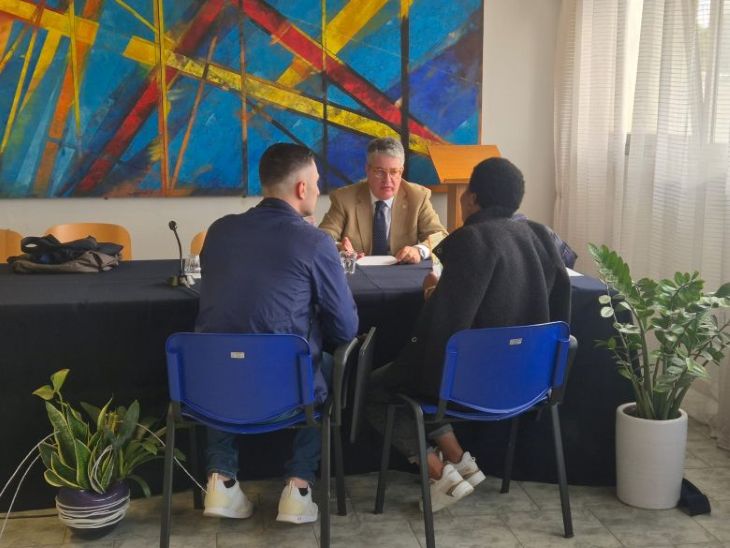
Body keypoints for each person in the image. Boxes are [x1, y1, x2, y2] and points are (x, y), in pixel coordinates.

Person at [367, 157, 571, 512]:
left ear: (473, 199)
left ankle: (439, 474)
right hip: (530, 383)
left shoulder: (472, 239)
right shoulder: (541, 235)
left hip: (473, 385)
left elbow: (444, 329)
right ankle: (460, 459)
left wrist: (432, 295)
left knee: (376, 387)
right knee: (432, 376)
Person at [195, 143, 359, 524]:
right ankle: (298, 487)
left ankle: (220, 478)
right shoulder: (315, 241)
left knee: (225, 355)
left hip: (212, 387)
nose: (319, 189)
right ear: (302, 188)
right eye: (316, 182)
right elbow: (346, 327)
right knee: (327, 364)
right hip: (287, 390)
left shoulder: (219, 232)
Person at [319, 137, 447, 263]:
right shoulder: (344, 198)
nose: (387, 180)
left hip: (401, 270)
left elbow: (440, 236)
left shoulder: (417, 197)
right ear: (368, 170)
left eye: (394, 172)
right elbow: (322, 237)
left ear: (401, 172)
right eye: (380, 172)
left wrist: (419, 250)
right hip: (359, 271)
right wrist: (339, 248)